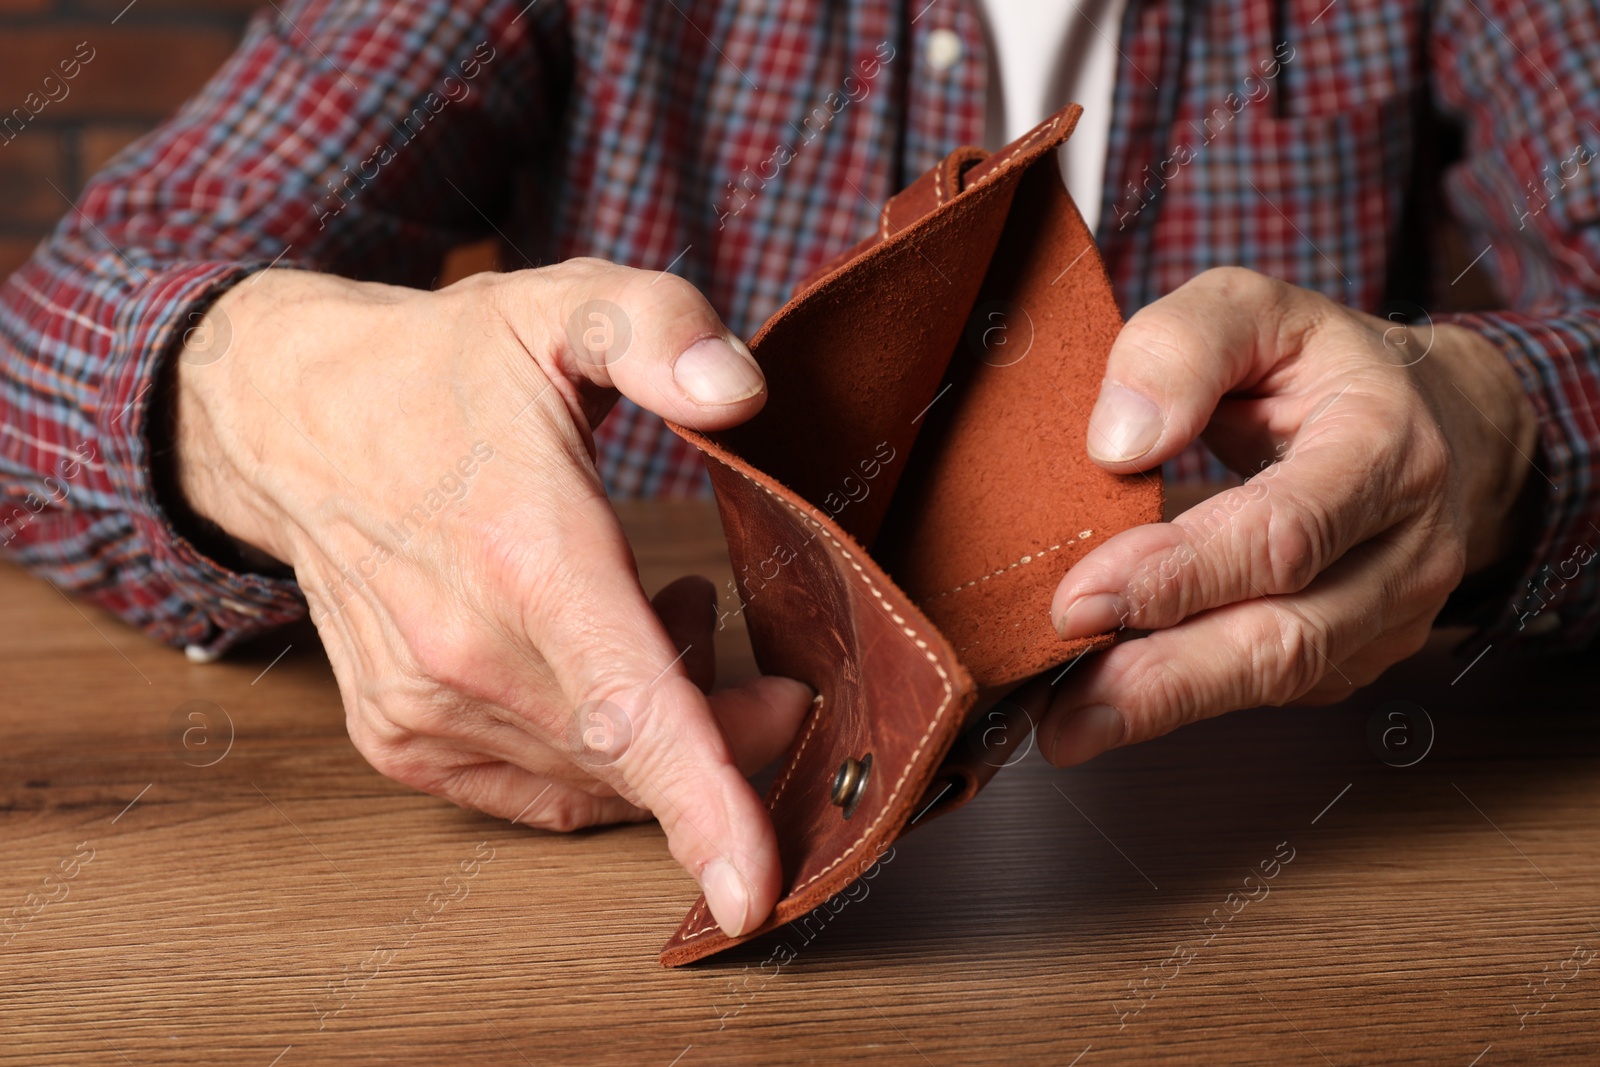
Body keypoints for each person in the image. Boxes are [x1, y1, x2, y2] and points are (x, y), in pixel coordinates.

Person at [2, 0, 1596, 942]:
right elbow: (54, 330)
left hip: (1280, 883)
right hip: (589, 902)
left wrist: (1504, 423)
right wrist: (270, 398)